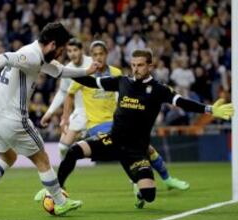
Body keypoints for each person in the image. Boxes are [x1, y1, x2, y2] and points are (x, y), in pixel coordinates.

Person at [53, 49, 233, 209]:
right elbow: (92, 82)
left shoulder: (159, 89)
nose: (136, 69)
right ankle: (56, 191)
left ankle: (140, 193)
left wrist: (209, 109)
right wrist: (63, 71)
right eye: (133, 65)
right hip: (113, 140)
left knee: (149, 195)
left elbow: (182, 103)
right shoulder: (122, 81)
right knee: (74, 150)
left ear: (150, 66)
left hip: (136, 150)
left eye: (140, 65)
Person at [0, 22, 100, 220]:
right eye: (61, 50)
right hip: (12, 119)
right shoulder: (30, 55)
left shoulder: (38, 55)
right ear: (53, 44)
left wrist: (86, 71)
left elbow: (61, 71)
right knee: (43, 159)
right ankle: (60, 203)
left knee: (8, 158)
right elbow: (4, 57)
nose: (61, 54)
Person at [60, 41, 189, 191]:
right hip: (97, 124)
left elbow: (124, 96)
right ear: (91, 56)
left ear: (106, 54)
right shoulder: (85, 73)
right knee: (131, 148)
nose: (98, 57)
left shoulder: (116, 73)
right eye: (94, 54)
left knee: (145, 149)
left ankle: (162, 180)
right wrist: (64, 117)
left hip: (116, 121)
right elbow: (69, 95)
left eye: (101, 54)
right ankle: (142, 183)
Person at [40, 38, 92, 160]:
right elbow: (62, 93)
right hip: (80, 111)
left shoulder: (92, 63)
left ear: (81, 50)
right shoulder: (68, 69)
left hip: (97, 110)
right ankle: (63, 174)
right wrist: (49, 112)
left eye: (75, 50)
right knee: (63, 147)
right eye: (69, 51)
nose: (72, 53)